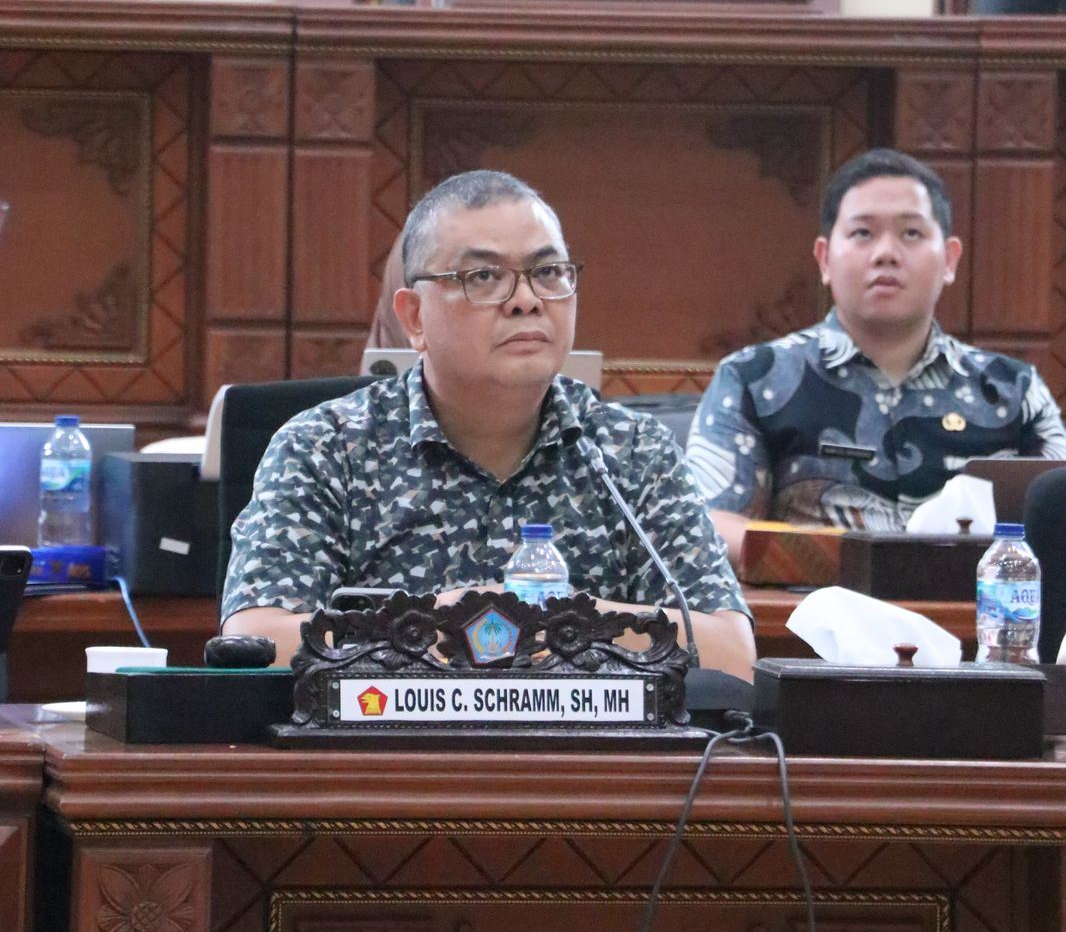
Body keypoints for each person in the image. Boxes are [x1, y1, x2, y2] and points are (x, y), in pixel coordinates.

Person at [222, 170, 754, 676]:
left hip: (583, 743)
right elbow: (254, 642)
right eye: (483, 277)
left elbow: (731, 654)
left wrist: (551, 622)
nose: (526, 301)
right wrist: (448, 625)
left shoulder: (633, 453)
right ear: (414, 317)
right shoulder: (326, 448)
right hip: (390, 742)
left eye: (548, 273)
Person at [686, 148, 1066, 563]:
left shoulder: (1013, 390)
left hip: (979, 603)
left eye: (911, 233)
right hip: (812, 602)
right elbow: (706, 525)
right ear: (824, 259)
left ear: (950, 260)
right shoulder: (755, 378)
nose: (886, 253)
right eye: (863, 233)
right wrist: (842, 560)